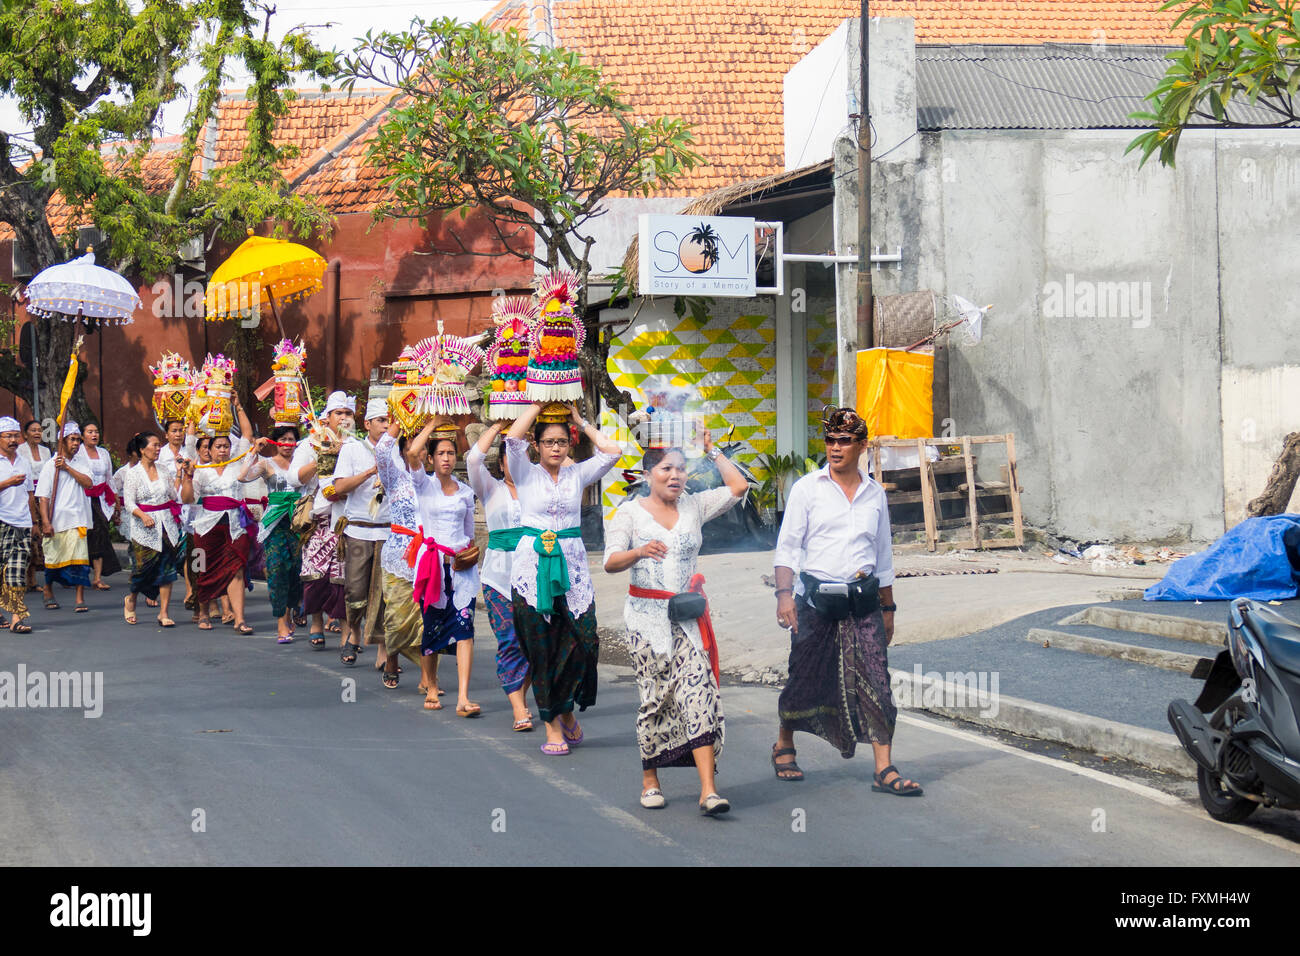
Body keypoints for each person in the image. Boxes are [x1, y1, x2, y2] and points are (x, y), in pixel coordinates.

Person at [770, 406, 919, 795]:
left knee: (877, 680)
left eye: (844, 441)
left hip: (863, 601)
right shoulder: (807, 489)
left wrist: (888, 609)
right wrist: (784, 596)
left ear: (861, 446)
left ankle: (884, 769)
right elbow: (787, 549)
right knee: (804, 675)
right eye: (830, 441)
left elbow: (883, 556)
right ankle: (784, 742)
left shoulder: (875, 495)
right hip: (815, 602)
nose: (835, 448)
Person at [603, 430, 746, 815]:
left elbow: (737, 485)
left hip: (687, 619)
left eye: (682, 469)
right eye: (667, 468)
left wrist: (712, 450)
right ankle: (650, 779)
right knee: (655, 698)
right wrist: (639, 551)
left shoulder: (694, 506)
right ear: (649, 473)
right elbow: (610, 561)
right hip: (646, 621)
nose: (676, 475)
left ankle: (708, 790)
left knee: (698, 692)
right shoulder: (629, 513)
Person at [503, 401, 621, 755]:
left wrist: (580, 422)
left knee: (583, 641)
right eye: (549, 442)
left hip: (573, 569)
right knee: (542, 647)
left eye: (562, 442)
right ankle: (552, 724)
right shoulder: (524, 472)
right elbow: (511, 438)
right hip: (532, 569)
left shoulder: (577, 474)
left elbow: (613, 451)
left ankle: (566, 707)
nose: (556, 448)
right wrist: (538, 404)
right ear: (537, 446)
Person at [409, 419, 480, 714]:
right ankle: (433, 683)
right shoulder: (423, 484)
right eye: (441, 453)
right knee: (432, 627)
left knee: (464, 628)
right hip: (432, 566)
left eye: (451, 453)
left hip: (460, 566)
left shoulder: (465, 492)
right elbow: (412, 453)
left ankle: (463, 696)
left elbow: (470, 533)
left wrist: (470, 556)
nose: (447, 458)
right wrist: (434, 423)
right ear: (432, 458)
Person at [467, 420, 533, 730]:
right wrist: (498, 428)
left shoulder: (539, 489)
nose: (517, 463)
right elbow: (471, 459)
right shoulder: (490, 488)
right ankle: (518, 706)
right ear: (502, 461)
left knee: (535, 643)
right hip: (497, 578)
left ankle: (519, 693)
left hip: (535, 577)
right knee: (509, 640)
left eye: (523, 456)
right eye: (511, 457)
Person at [374, 416, 442, 702]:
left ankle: (428, 678)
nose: (421, 450)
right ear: (404, 449)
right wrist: (405, 417)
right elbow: (380, 450)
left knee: (429, 618)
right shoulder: (394, 476)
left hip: (429, 556)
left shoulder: (439, 482)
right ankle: (391, 657)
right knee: (396, 616)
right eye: (416, 444)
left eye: (428, 446)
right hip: (398, 554)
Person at [179, 406, 257, 634]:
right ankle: (202, 612)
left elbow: (247, 435)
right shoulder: (200, 469)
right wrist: (188, 477)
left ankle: (239, 619)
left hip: (235, 526)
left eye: (226, 446)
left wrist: (239, 407)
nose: (222, 450)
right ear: (209, 450)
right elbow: (188, 499)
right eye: (218, 447)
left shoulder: (237, 465)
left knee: (237, 569)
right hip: (205, 527)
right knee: (200, 567)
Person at [242, 425, 315, 642]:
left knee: (299, 568)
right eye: (282, 439)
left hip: (300, 521)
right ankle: (281, 621)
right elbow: (243, 477)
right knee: (276, 568)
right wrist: (254, 450)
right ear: (275, 442)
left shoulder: (304, 465)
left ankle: (296, 605)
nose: (287, 444)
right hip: (275, 522)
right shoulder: (266, 464)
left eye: (291, 439)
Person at [332, 399, 390, 668]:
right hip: (358, 530)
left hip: (389, 533)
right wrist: (370, 472)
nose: (386, 425)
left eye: (389, 420)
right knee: (355, 590)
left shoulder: (396, 450)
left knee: (385, 593)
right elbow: (340, 486)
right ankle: (352, 633)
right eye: (381, 420)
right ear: (367, 424)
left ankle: (383, 650)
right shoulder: (352, 450)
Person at [296, 391, 354, 649]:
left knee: (342, 580)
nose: (343, 418)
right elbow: (294, 478)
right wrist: (323, 455)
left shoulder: (357, 445)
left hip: (346, 521)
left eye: (348, 413)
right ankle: (316, 621)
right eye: (338, 413)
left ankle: (346, 631)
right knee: (315, 576)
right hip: (319, 521)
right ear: (327, 417)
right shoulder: (311, 442)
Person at [122, 431, 183, 627]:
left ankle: (163, 612)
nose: (158, 449)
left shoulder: (164, 469)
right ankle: (131, 598)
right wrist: (143, 515)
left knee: (167, 568)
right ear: (142, 449)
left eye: (159, 445)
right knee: (142, 569)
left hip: (166, 525)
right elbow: (130, 503)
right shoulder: (133, 473)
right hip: (144, 528)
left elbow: (173, 494)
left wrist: (180, 474)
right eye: (154, 445)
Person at [36, 422, 94, 613]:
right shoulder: (49, 466)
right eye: (72, 439)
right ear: (62, 441)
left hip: (78, 519)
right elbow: (43, 497)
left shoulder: (82, 463)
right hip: (57, 520)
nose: (76, 443)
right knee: (53, 560)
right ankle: (48, 590)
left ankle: (79, 598)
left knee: (80, 561)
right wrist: (45, 522)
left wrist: (67, 468)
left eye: (78, 440)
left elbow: (88, 483)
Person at [73, 422, 123, 591]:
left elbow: (109, 478)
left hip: (100, 500)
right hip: (82, 499)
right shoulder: (77, 452)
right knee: (81, 536)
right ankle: (76, 575)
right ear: (82, 435)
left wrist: (116, 502)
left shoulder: (103, 453)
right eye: (90, 432)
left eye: (96, 432)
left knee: (100, 534)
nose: (94, 435)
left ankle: (97, 577)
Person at [0, 417, 37, 632]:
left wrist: (34, 522)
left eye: (16, 436)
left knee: (17, 570)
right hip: (2, 521)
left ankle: (17, 618)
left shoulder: (23, 461)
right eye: (8, 436)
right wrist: (8, 483)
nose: (13, 440)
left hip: (22, 522)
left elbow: (30, 494)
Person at [18, 419, 50, 592]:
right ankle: (23, 577)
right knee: (29, 537)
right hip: (26, 496)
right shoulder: (20, 451)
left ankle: (34, 579)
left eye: (39, 430)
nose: (37, 433)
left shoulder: (46, 451)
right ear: (25, 434)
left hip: (43, 496)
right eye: (33, 430)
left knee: (41, 540)